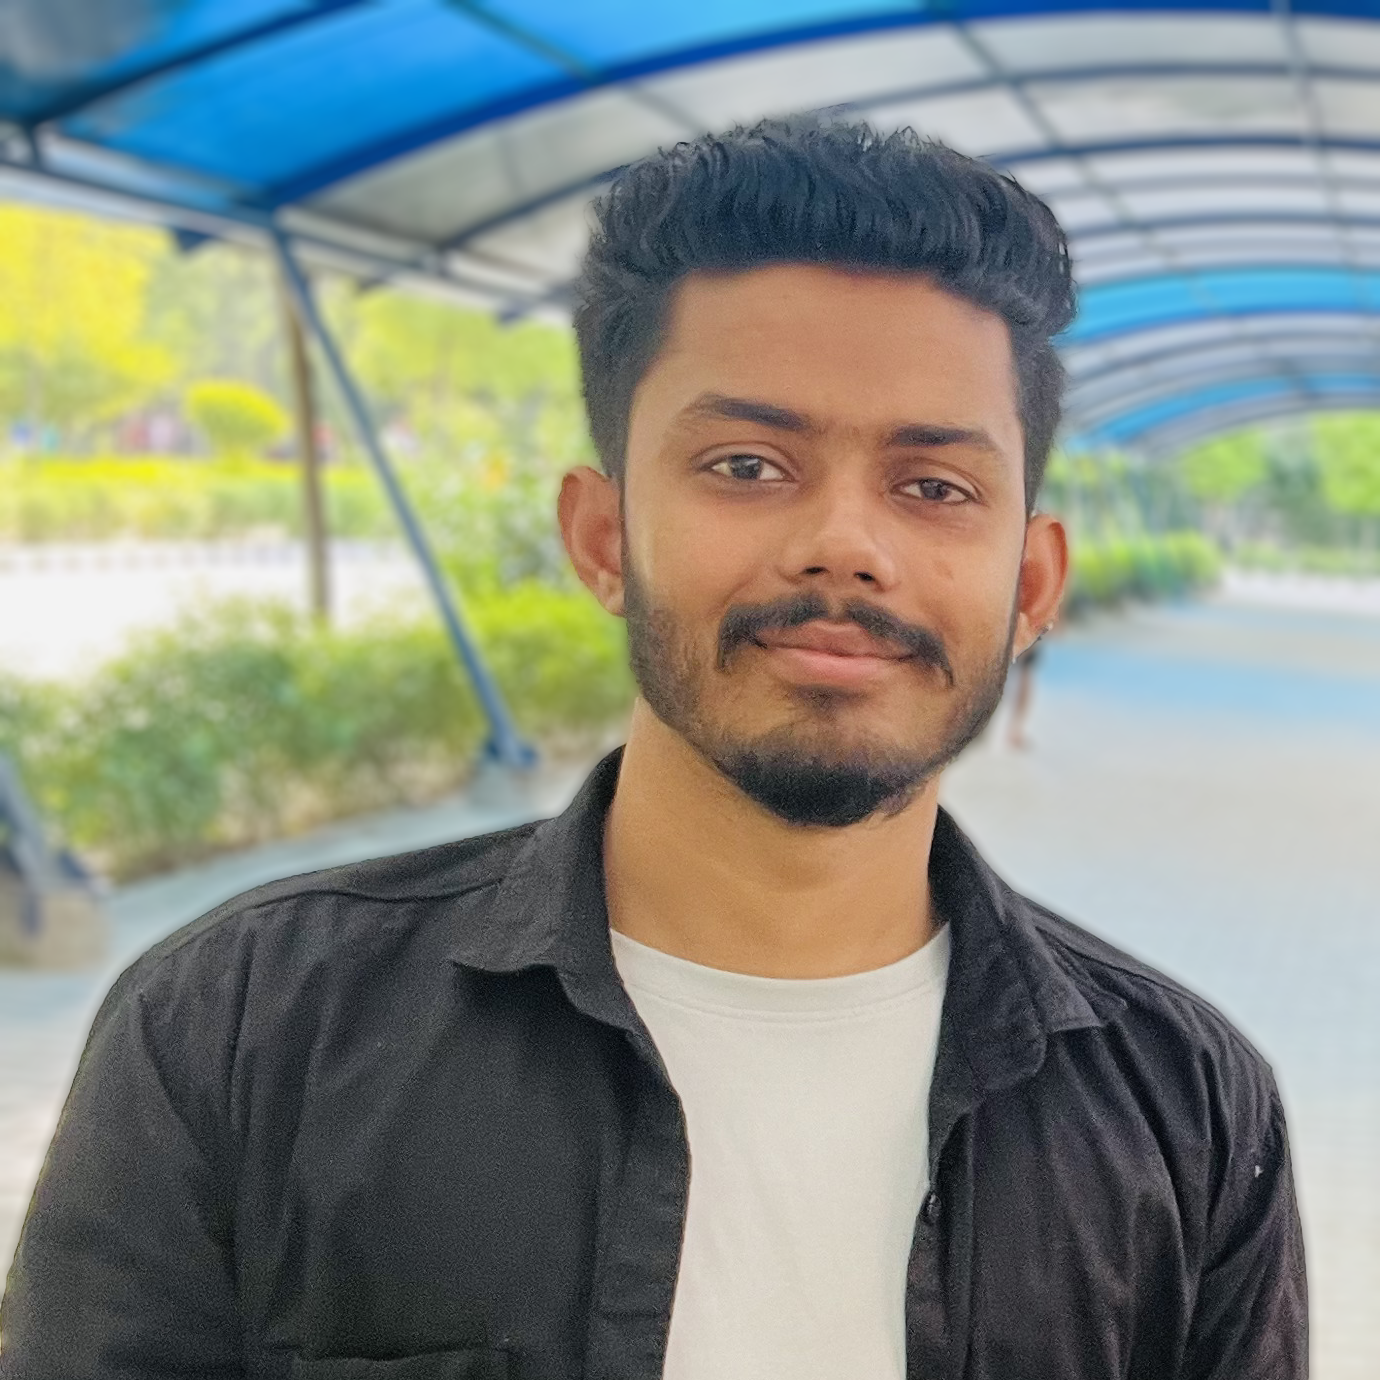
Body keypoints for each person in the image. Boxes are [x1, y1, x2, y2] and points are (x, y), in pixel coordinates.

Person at [0, 120, 1305, 1380]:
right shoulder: (241, 1032)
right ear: (602, 538)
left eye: (934, 487)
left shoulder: (1187, 1118)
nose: (844, 546)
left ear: (1030, 582)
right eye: (747, 464)